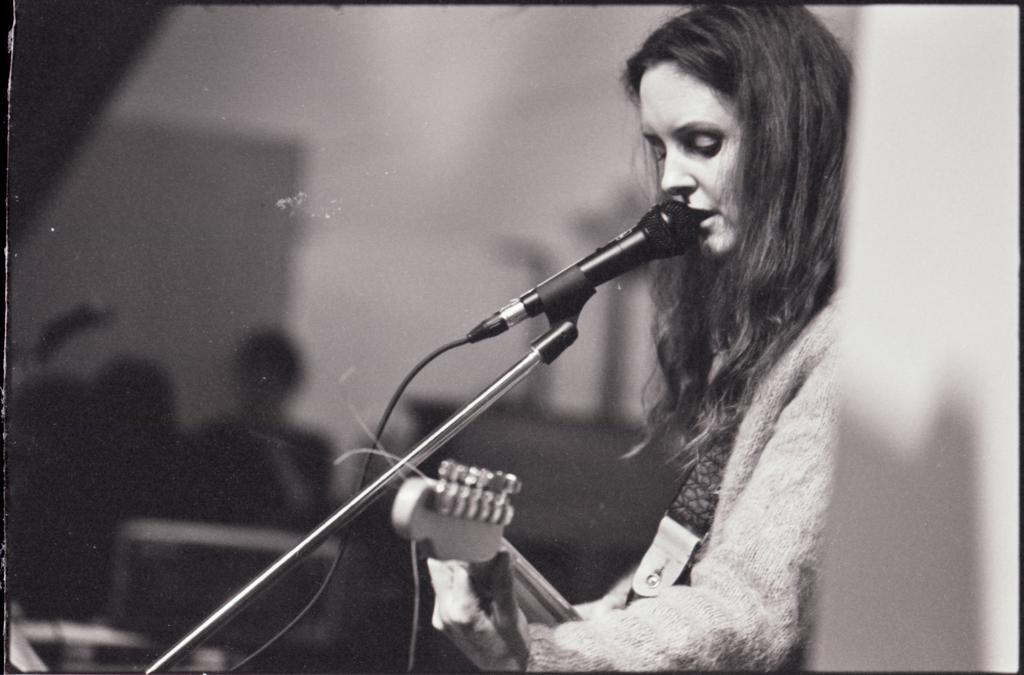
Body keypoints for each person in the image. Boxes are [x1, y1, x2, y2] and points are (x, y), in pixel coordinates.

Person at [426, 5, 849, 670]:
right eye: (660, 148)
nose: (673, 179)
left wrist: (544, 657)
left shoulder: (840, 346)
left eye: (702, 143)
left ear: (791, 145)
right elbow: (678, 579)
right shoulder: (771, 335)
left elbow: (749, 606)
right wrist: (541, 618)